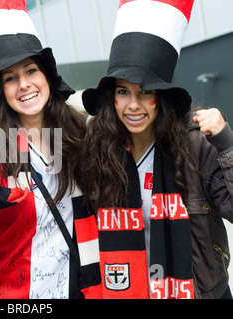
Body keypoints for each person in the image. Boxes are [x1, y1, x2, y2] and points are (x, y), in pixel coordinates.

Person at [80, 0, 232, 298]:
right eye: (123, 91)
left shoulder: (196, 144)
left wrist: (226, 142)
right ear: (111, 98)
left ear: (161, 96)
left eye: (145, 91)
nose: (133, 105)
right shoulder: (97, 149)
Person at [0, 0, 101, 299]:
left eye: (31, 71)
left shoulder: (82, 136)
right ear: (1, 91)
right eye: (10, 78)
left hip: (79, 287)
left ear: (47, 77)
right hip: (10, 293)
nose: (24, 85)